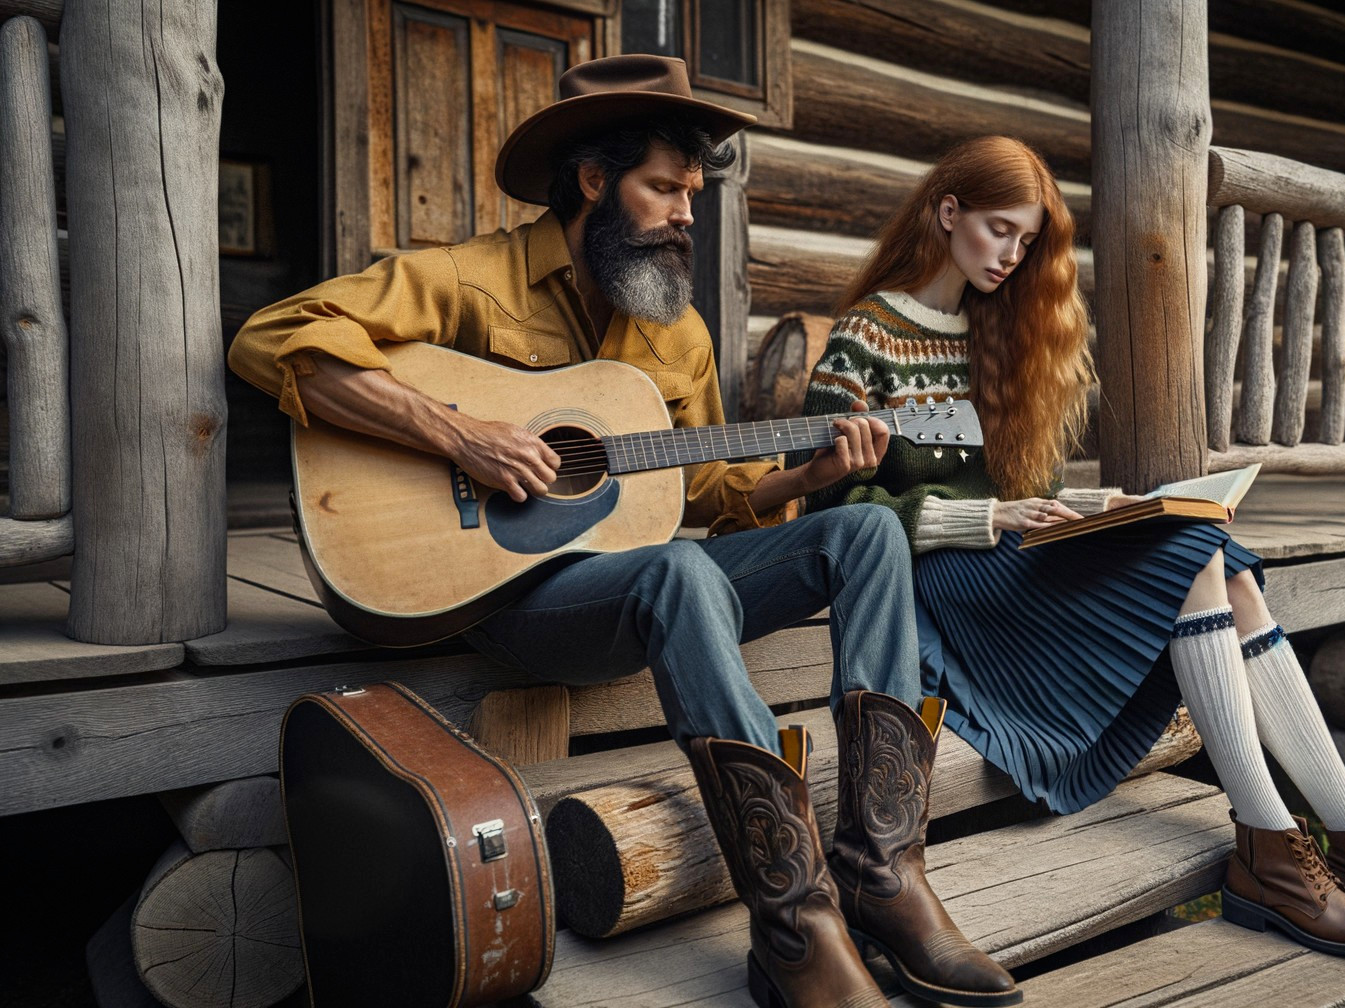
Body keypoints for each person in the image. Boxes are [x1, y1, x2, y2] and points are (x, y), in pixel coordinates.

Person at [230, 56, 1018, 1008]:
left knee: (865, 537)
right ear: (595, 183)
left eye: (693, 192)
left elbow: (714, 493)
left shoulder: (672, 332)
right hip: (494, 594)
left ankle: (885, 873)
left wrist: (811, 475)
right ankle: (794, 921)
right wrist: (461, 433)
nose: (689, 212)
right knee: (678, 575)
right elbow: (273, 336)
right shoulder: (468, 281)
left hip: (626, 581)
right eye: (665, 189)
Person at [802, 135, 1345, 959]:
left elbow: (1001, 493)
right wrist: (987, 522)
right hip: (932, 584)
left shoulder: (991, 329)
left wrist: (1081, 507)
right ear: (947, 211)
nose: (1011, 255)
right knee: (1192, 555)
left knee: (1215, 552)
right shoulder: (866, 334)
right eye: (1000, 230)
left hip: (1000, 556)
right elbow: (829, 507)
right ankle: (1271, 849)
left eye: (1027, 241)